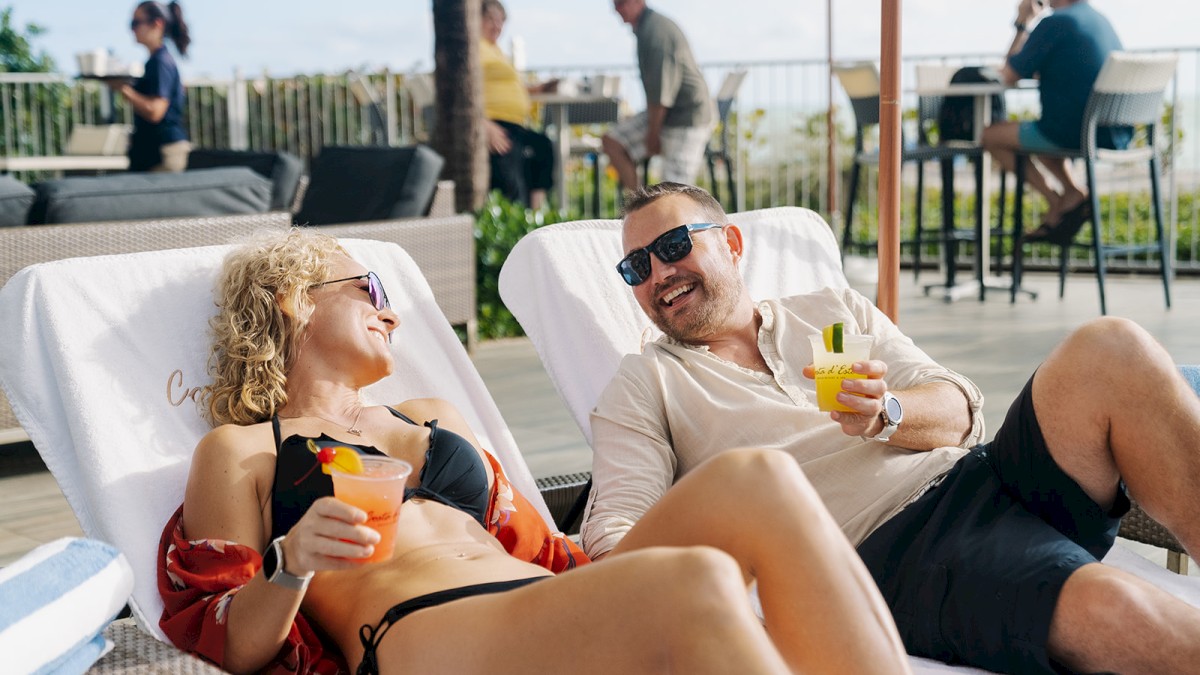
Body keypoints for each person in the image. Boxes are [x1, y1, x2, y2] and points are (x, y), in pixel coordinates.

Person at [156, 228, 911, 674]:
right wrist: (292, 563)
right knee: (699, 579)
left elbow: (543, 547)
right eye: (368, 287)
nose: (388, 310)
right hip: (424, 632)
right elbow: (230, 637)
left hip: (539, 596)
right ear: (296, 297)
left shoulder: (431, 413)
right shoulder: (244, 450)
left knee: (760, 476)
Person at [584, 181, 1200, 675]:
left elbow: (963, 409)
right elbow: (615, 535)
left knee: (1112, 348)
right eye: (635, 267)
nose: (658, 274)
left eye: (672, 246)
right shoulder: (645, 384)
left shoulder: (830, 312)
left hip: (982, 475)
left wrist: (888, 413)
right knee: (1113, 604)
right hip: (905, 549)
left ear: (732, 243)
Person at [980, 0, 1129, 244]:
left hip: (1073, 133)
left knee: (989, 136)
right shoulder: (1098, 19)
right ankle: (1072, 193)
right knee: (1044, 141)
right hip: (1114, 132)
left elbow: (1008, 75)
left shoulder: (1055, 23)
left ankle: (1056, 202)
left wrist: (1022, 23)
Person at [602, 0, 713, 192]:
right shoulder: (647, 27)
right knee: (613, 142)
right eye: (615, 3)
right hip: (668, 112)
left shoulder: (655, 32)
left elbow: (662, 94)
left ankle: (658, 212)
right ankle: (642, 204)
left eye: (622, 3)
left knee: (675, 193)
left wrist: (653, 133)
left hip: (687, 116)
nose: (617, 9)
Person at [480, 0, 556, 210]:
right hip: (495, 124)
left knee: (543, 146)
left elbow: (514, 87)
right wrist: (483, 124)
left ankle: (535, 216)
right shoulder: (472, 49)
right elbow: (460, 92)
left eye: (500, 21)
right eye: (491, 19)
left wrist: (540, 88)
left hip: (515, 125)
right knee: (513, 174)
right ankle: (516, 222)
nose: (497, 26)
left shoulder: (497, 51)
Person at [109, 1, 191, 172]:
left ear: (157, 24)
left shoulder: (160, 62)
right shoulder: (158, 61)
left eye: (136, 23)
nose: (132, 30)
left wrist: (124, 89)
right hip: (157, 151)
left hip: (165, 154)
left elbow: (155, 111)